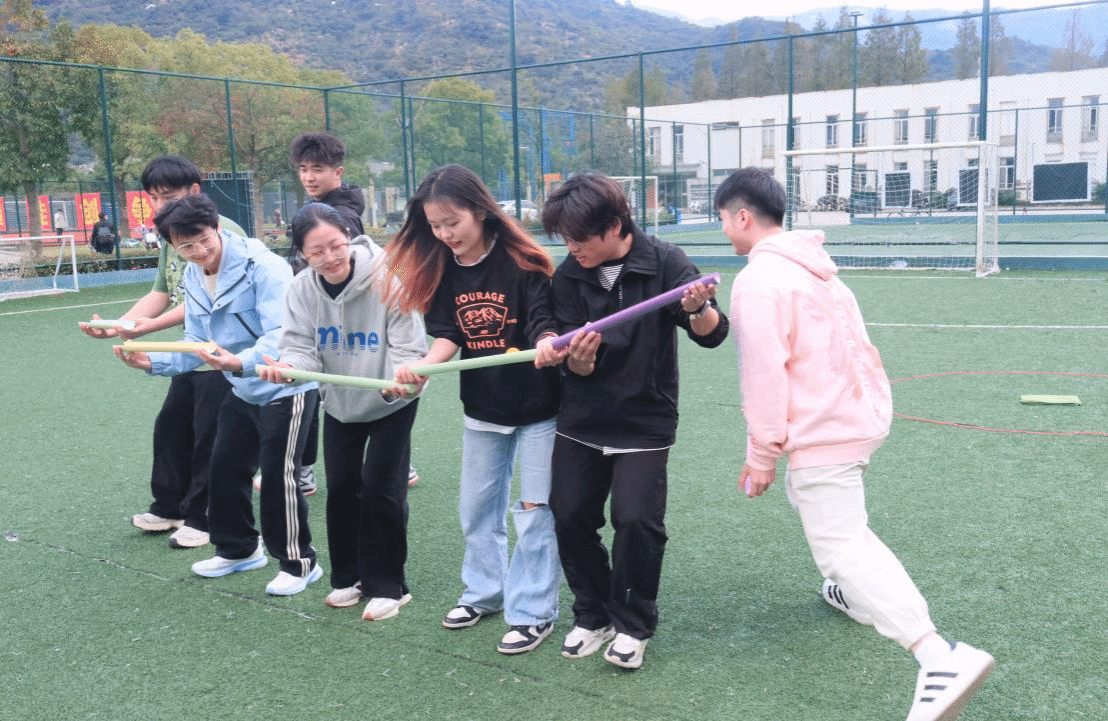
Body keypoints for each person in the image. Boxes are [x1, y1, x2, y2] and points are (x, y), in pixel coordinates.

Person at [716, 167, 994, 721]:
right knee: (819, 506)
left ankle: (937, 655)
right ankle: (852, 593)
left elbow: (764, 375)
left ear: (743, 217)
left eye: (723, 218)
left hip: (829, 427)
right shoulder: (818, 269)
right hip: (858, 416)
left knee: (840, 544)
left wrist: (762, 453)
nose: (724, 228)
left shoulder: (759, 280)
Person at [533, 172, 729, 670]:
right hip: (582, 418)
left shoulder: (665, 262)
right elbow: (571, 359)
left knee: (637, 520)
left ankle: (632, 624)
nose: (571, 248)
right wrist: (576, 361)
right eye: (565, 239)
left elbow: (712, 334)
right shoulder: (570, 274)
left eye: (579, 238)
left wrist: (699, 308)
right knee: (569, 515)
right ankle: (593, 614)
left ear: (615, 225)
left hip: (644, 419)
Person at [388, 165, 562, 654]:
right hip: (483, 408)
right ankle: (484, 593)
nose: (445, 235)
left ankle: (533, 613)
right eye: (435, 226)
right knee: (477, 510)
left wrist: (548, 340)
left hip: (539, 409)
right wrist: (423, 367)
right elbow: (448, 334)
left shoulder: (522, 262)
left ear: (481, 211)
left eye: (453, 223)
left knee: (535, 511)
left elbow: (543, 320)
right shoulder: (440, 268)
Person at [117, 193, 323, 596]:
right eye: (186, 246)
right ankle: (238, 549)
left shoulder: (264, 266)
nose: (198, 251)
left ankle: (300, 564)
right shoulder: (193, 275)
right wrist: (150, 362)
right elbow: (196, 341)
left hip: (287, 384)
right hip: (241, 386)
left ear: (217, 228)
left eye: (204, 240)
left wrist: (238, 361)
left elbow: (282, 334)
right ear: (172, 246)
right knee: (223, 468)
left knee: (279, 477)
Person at [258, 203, 426, 619]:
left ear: (349, 236)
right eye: (316, 252)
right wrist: (290, 368)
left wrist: (402, 380)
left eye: (335, 245)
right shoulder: (302, 288)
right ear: (302, 254)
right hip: (340, 402)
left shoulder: (389, 278)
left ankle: (389, 585)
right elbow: (299, 347)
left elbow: (409, 347)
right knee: (342, 487)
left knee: (381, 486)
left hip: (391, 399)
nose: (330, 257)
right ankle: (348, 578)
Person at [78, 155, 246, 550]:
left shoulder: (222, 232)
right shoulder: (171, 237)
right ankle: (170, 506)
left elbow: (205, 302)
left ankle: (205, 517)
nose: (159, 205)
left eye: (168, 196)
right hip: (191, 350)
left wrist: (140, 330)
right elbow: (162, 292)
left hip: (227, 352)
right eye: (152, 198)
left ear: (195, 192)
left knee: (210, 436)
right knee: (171, 426)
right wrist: (118, 325)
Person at [289, 131, 420, 488]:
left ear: (338, 172)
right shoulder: (322, 215)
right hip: (344, 380)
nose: (309, 177)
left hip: (369, 361)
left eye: (317, 169)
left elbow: (360, 278)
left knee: (381, 472)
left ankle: (307, 468)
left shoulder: (339, 215)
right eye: (303, 169)